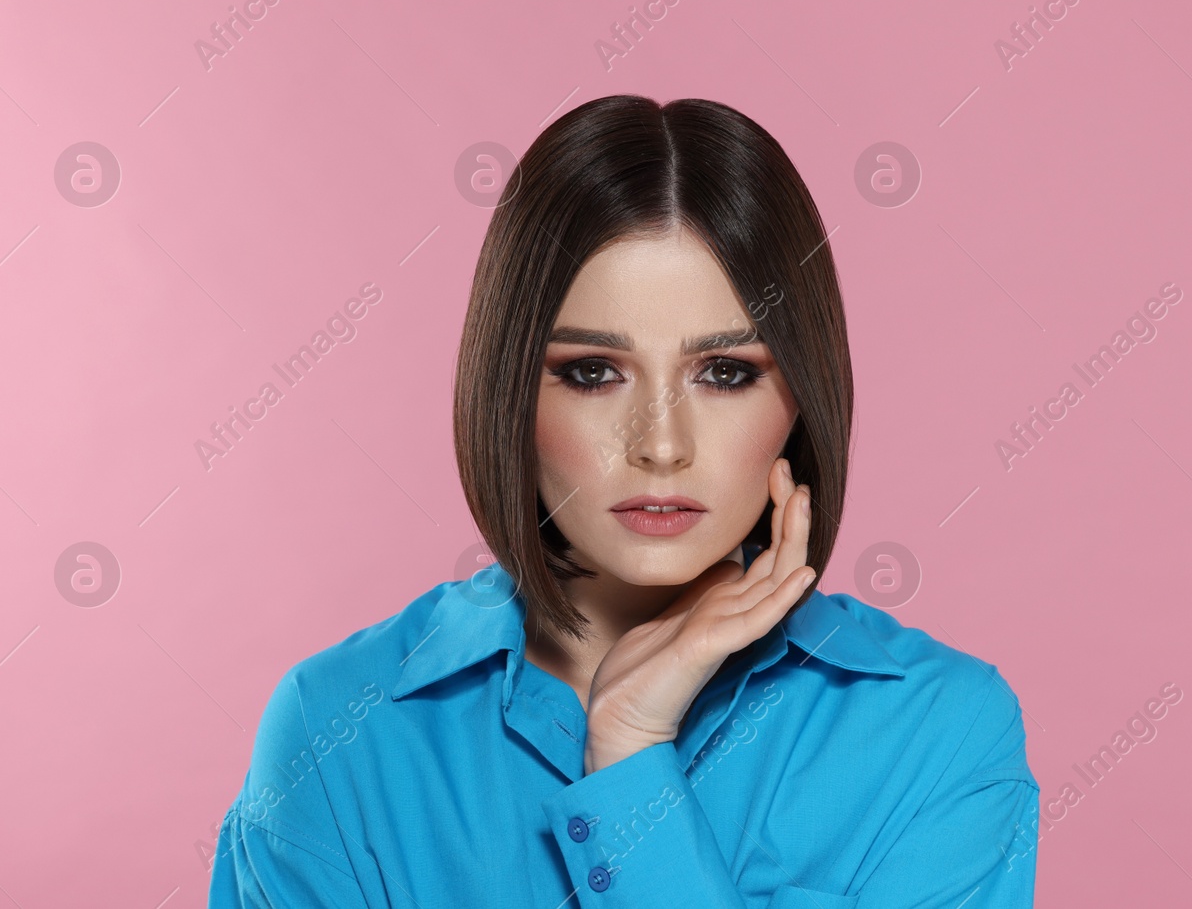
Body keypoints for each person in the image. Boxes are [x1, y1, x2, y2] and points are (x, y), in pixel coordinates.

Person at [208, 95, 1039, 907]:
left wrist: (634, 758)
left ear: (800, 399)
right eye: (593, 373)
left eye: (725, 372)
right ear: (511, 395)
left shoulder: (938, 732)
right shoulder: (337, 734)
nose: (661, 442)